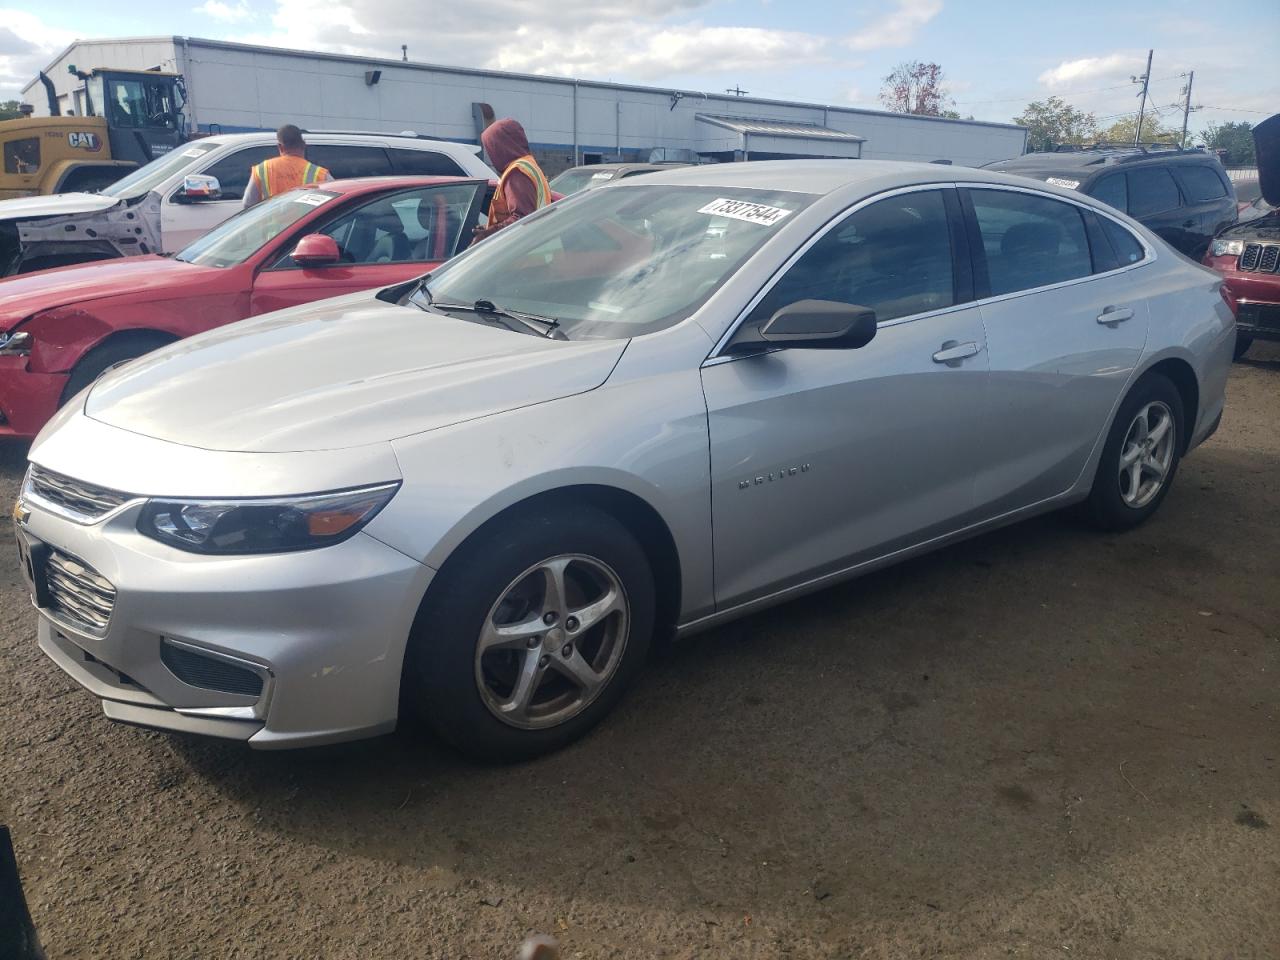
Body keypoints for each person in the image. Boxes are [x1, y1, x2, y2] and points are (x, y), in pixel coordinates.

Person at [473, 118, 551, 241]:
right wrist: (488, 228)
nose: (491, 156)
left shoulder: (517, 173)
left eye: (491, 149)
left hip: (527, 255)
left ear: (500, 147)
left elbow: (522, 219)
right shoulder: (528, 165)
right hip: (539, 249)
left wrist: (488, 234)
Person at [242, 124, 331, 208]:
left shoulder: (262, 170)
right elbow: (334, 204)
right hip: (306, 224)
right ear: (304, 145)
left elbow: (248, 203)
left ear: (280, 147)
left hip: (271, 224)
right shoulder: (319, 174)